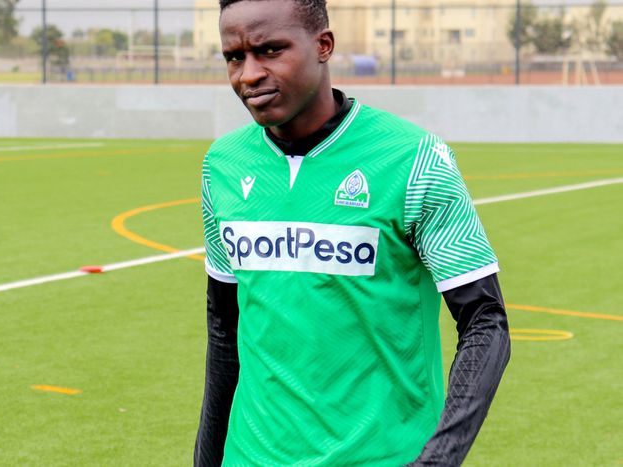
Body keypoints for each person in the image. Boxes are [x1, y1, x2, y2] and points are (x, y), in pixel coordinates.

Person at [194, 0, 511, 465]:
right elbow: (224, 329)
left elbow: (485, 322)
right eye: (234, 57)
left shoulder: (413, 159)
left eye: (271, 50)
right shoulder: (222, 165)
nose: (249, 75)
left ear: (323, 45)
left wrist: (438, 459)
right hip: (250, 456)